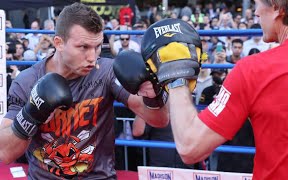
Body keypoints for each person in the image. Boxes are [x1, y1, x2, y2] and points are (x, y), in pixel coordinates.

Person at [141, 0, 288, 179]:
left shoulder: (255, 70)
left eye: (256, 4)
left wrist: (176, 75)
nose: (256, 12)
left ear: (276, 8)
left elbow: (190, 145)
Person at [0, 3, 169, 179]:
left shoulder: (106, 72)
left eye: (97, 47)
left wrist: (154, 92)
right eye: (83, 47)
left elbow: (159, 120)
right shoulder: (28, 81)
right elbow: (5, 153)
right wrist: (31, 115)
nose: (92, 57)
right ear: (59, 43)